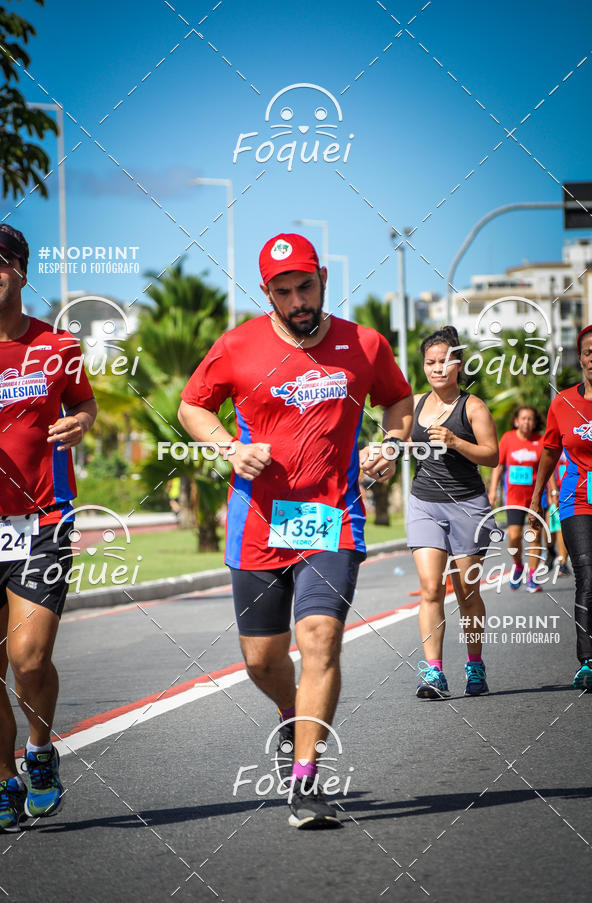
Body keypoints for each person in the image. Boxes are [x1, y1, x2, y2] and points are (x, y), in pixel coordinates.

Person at [178, 233, 413, 827]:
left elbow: (399, 403)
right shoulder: (237, 346)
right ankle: (290, 712)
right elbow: (191, 407)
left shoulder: (364, 343)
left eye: (305, 286)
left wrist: (388, 444)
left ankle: (307, 780)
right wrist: (227, 447)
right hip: (257, 522)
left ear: (323, 278)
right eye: (283, 291)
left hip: (331, 516)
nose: (297, 300)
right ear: (267, 293)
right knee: (261, 660)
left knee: (319, 640)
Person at [0, 225, 97, 831]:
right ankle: (5, 778)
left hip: (40, 518)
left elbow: (83, 403)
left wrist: (80, 423)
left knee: (28, 657)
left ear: (21, 271)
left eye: (2, 261)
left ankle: (39, 752)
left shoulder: (57, 346)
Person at [407, 326, 499, 699]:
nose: (437, 368)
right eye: (430, 362)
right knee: (431, 588)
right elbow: (395, 442)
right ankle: (433, 673)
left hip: (467, 506)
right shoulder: (414, 403)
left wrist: (456, 441)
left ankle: (474, 663)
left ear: (458, 364)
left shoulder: (472, 406)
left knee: (466, 593)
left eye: (444, 361)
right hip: (424, 503)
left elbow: (492, 456)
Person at [530, 323, 592, 691]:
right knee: (588, 574)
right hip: (580, 499)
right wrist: (537, 494)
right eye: (588, 351)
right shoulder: (563, 402)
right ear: (580, 358)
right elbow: (551, 449)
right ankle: (589, 661)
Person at [488, 407, 546, 593]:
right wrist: (492, 491)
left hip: (535, 498)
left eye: (530, 419)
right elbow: (498, 466)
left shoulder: (541, 440)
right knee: (514, 536)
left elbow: (548, 468)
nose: (526, 422)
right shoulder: (507, 439)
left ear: (535, 422)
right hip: (514, 498)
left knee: (535, 536)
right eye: (523, 418)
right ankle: (518, 565)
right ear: (516, 421)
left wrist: (552, 493)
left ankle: (532, 576)